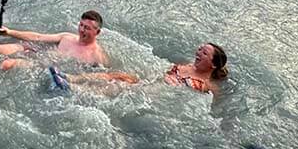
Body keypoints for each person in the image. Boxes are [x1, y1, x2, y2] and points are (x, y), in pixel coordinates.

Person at [53, 42, 229, 95]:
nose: (198, 53)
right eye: (199, 49)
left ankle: (76, 90)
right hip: (154, 81)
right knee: (119, 75)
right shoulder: (186, 64)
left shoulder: (208, 85)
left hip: (159, 93)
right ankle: (70, 77)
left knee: (123, 88)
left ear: (213, 64)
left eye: (204, 53)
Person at [0, 10, 111, 71]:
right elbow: (38, 37)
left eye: (87, 28)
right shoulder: (67, 37)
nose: (81, 30)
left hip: (43, 67)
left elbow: (103, 76)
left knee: (7, 64)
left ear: (97, 32)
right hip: (37, 52)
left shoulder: (97, 56)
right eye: (81, 25)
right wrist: (9, 32)